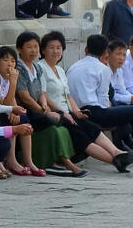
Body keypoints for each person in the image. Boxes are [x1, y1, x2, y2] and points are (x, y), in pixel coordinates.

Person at [39, 31, 133, 172]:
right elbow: (43, 95)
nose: (56, 51)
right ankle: (115, 160)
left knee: (91, 126)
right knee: (81, 134)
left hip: (69, 112)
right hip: (55, 113)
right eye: (51, 47)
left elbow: (68, 96)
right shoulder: (41, 68)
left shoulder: (60, 70)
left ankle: (117, 153)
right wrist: (62, 113)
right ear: (43, 50)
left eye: (59, 47)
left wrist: (77, 112)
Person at [67, 34, 133, 161]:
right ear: (106, 52)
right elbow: (103, 100)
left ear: (86, 49)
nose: (121, 58)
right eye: (118, 54)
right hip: (92, 112)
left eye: (124, 54)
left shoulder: (74, 66)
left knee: (126, 109)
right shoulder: (102, 69)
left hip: (75, 111)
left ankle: (126, 146)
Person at [12, 31, 85, 176]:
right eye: (28, 47)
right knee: (52, 120)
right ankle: (65, 162)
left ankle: (64, 161)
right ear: (19, 49)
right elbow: (24, 96)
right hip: (25, 110)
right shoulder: (19, 68)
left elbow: (41, 92)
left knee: (58, 120)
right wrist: (42, 109)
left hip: (39, 108)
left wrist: (44, 105)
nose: (33, 50)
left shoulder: (37, 68)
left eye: (35, 46)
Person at [0, 45, 46, 176]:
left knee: (23, 118)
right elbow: (3, 103)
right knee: (12, 123)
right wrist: (13, 83)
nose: (10, 64)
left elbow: (12, 103)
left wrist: (15, 111)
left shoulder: (8, 79)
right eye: (6, 60)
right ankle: (11, 161)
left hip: (5, 110)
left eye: (12, 61)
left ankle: (28, 161)